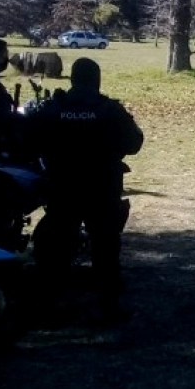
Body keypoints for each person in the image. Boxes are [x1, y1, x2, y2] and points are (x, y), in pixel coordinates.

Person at [27, 58, 144, 324]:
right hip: (101, 186)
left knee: (58, 247)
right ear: (97, 79)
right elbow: (134, 142)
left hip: (62, 186)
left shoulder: (53, 109)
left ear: (72, 79)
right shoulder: (109, 109)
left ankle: (50, 305)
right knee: (105, 247)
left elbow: (29, 141)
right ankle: (108, 306)